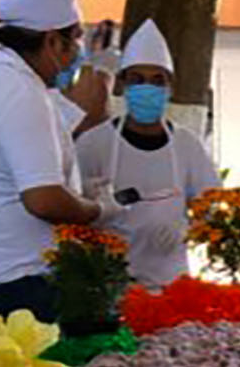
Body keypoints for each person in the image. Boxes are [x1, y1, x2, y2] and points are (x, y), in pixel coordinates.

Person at [0, 0, 117, 323]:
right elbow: (43, 199)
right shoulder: (18, 88)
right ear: (52, 40)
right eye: (75, 39)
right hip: (5, 281)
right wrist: (97, 210)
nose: (76, 52)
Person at [73, 20, 218, 289]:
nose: (146, 88)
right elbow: (70, 207)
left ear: (169, 88)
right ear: (123, 84)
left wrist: (187, 229)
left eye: (156, 80)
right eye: (137, 80)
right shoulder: (93, 144)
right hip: (108, 283)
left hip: (172, 281)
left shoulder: (188, 145)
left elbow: (210, 204)